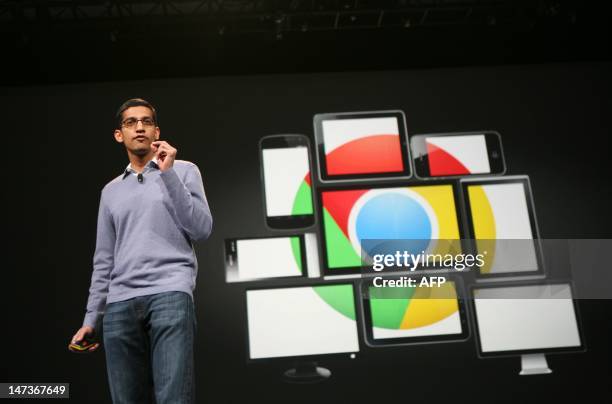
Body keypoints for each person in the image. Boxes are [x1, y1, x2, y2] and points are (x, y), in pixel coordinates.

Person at [69, 98, 213, 404]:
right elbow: (104, 259)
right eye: (131, 122)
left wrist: (168, 173)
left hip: (170, 294)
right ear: (119, 135)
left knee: (174, 398)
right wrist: (91, 318)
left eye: (146, 121)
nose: (139, 127)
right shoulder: (110, 191)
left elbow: (201, 229)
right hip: (119, 305)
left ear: (156, 131)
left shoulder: (184, 171)